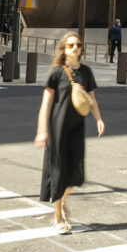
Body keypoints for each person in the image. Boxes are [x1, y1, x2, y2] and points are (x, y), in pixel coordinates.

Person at [35, 29, 105, 234]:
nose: (76, 48)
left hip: (77, 128)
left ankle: (62, 201)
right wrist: (42, 130)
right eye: (71, 45)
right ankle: (58, 217)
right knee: (58, 171)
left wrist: (99, 119)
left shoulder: (86, 72)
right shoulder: (57, 73)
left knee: (76, 172)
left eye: (79, 45)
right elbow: (46, 104)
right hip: (57, 129)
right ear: (64, 49)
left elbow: (91, 99)